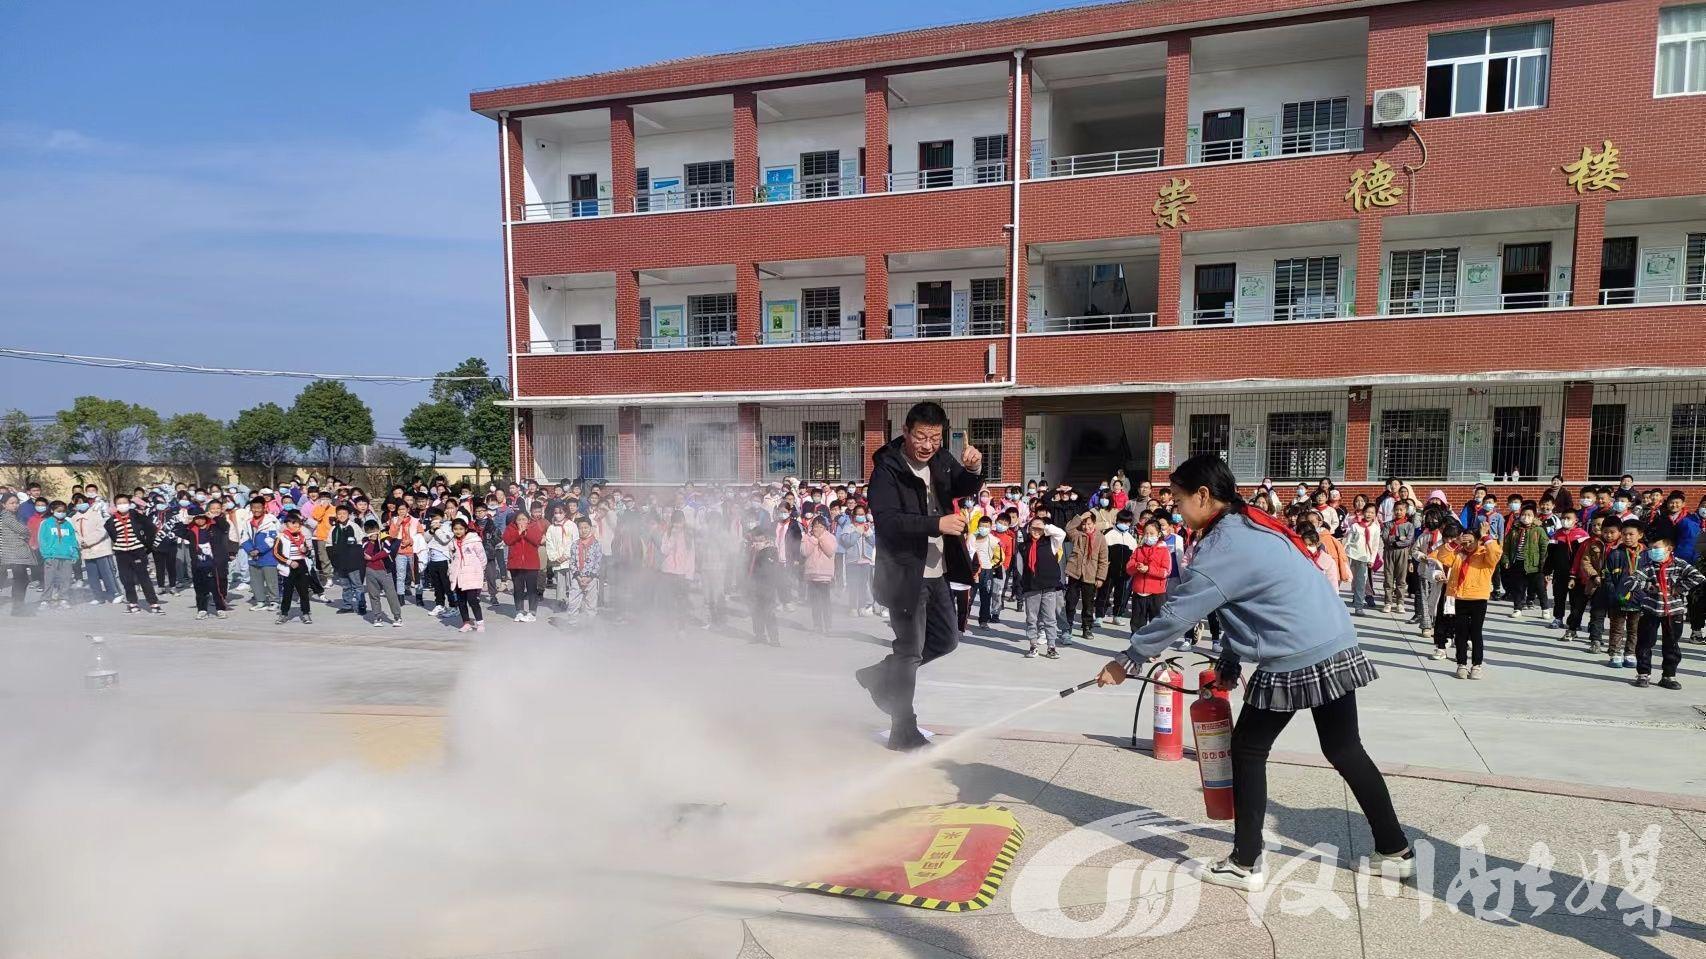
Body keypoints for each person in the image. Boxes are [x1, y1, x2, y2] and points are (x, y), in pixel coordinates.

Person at [1095, 455, 1411, 891]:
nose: (1176, 508)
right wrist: (1229, 659)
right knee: (1344, 748)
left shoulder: (1223, 546)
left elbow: (1177, 614)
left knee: (1246, 749)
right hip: (1334, 640)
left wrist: (1127, 659)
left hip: (1295, 653)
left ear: (1204, 496)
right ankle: (1395, 850)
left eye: (1181, 499)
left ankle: (1245, 862)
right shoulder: (1251, 523)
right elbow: (1250, 603)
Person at [855, 402, 985, 751]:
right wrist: (936, 524)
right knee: (910, 652)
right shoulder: (887, 470)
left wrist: (974, 468)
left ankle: (880, 674)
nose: (927, 445)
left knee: (945, 641)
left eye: (935, 438)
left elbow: (962, 484)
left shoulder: (941, 459)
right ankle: (903, 729)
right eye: (921, 437)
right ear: (906, 432)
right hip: (903, 575)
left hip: (937, 571)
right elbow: (888, 521)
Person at [1628, 534, 1703, 690]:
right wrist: (1646, 587)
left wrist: (1679, 588)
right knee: (1645, 643)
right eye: (1650, 548)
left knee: (1671, 644)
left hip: (1674, 611)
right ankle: (1643, 674)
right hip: (1651, 610)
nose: (1652, 551)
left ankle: (1669, 675)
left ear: (1669, 549)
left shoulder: (1679, 564)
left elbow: (1699, 577)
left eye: (1656, 548)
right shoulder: (1648, 566)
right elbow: (1634, 579)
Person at [1433, 521, 1501, 678]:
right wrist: (1456, 542)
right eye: (1466, 541)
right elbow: (1442, 556)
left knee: (1476, 633)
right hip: (1460, 597)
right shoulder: (1459, 554)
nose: (1468, 544)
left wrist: (1486, 536)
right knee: (1461, 633)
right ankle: (1461, 664)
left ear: (1477, 540)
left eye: (1471, 541)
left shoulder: (1484, 554)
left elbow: (1495, 554)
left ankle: (1477, 665)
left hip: (1478, 598)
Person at [1015, 511, 1066, 659]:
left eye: (1039, 529)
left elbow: (1061, 533)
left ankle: (1051, 647)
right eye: (1033, 528)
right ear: (1029, 529)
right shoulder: (1024, 545)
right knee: (1031, 618)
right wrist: (1022, 583)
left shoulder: (1051, 542)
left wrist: (1045, 526)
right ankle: (1033, 645)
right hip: (1031, 587)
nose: (1036, 531)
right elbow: (1020, 566)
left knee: (1049, 618)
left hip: (1049, 586)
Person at [1603, 519, 1645, 669]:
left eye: (1631, 534)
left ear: (1640, 535)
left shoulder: (1646, 555)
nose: (1627, 537)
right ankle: (1615, 653)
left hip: (1639, 600)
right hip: (1618, 598)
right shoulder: (1615, 554)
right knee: (1616, 628)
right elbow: (1607, 576)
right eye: (1624, 534)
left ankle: (1630, 653)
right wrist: (1614, 594)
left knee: (1635, 628)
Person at [1063, 510, 1108, 641]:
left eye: (1089, 524)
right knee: (1071, 601)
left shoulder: (1100, 538)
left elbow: (1103, 560)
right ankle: (1068, 626)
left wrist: (1100, 577)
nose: (1086, 527)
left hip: (1091, 575)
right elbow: (1068, 528)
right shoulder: (1078, 535)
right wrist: (1081, 517)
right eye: (1083, 524)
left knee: (1088, 604)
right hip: (1075, 573)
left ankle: (1087, 627)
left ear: (1094, 524)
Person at [1125, 518, 1172, 634]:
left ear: (1158, 534)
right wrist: (1136, 566)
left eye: (1152, 533)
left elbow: (1166, 571)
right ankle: (1135, 646)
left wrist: (1149, 569)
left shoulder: (1164, 550)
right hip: (1139, 592)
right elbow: (1128, 568)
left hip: (1156, 594)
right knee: (1137, 622)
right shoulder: (1139, 550)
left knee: (1155, 623)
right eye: (1146, 533)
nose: (1148, 536)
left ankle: (1152, 649)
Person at [1501, 502, 1547, 618]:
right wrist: (1506, 560)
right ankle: (1517, 608)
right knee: (1518, 587)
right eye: (1524, 514)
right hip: (1518, 563)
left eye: (1529, 515)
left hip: (1534, 564)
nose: (1526, 517)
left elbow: (1544, 548)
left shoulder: (1538, 530)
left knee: (1540, 588)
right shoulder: (1514, 530)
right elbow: (1506, 547)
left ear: (1534, 517)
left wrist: (1543, 564)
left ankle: (1545, 608)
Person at [273, 511, 317, 625]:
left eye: (298, 524)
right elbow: (276, 553)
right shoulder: (281, 537)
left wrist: (305, 550)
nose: (296, 527)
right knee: (287, 591)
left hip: (301, 565)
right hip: (289, 566)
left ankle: (306, 613)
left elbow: (308, 552)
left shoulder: (302, 537)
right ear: (287, 525)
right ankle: (284, 613)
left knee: (303, 591)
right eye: (293, 524)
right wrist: (289, 562)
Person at [74, 497, 120, 605]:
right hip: (86, 550)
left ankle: (114, 594)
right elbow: (75, 533)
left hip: (100, 548)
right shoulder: (74, 518)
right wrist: (81, 542)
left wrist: (88, 541)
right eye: (78, 502)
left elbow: (102, 531)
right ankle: (98, 596)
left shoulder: (95, 514)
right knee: (92, 575)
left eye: (83, 502)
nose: (81, 504)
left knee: (106, 573)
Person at [743, 524, 783, 646]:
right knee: (755, 611)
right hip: (753, 584)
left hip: (767, 586)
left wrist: (759, 553)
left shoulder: (770, 550)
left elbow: (769, 568)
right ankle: (759, 635)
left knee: (768, 611)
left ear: (765, 538)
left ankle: (774, 637)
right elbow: (747, 566)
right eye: (755, 539)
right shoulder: (752, 550)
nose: (756, 541)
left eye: (759, 539)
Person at [360, 520, 404, 628]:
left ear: (378, 530)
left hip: (385, 571)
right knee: (374, 595)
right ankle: (377, 616)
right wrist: (371, 542)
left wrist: (373, 558)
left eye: (374, 531)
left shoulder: (385, 538)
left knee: (391, 595)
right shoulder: (365, 541)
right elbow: (366, 554)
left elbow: (386, 551)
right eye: (370, 531)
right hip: (370, 571)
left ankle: (397, 616)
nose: (373, 533)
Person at [800, 512, 838, 634]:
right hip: (811, 575)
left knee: (825, 601)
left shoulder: (830, 537)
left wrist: (820, 538)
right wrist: (813, 539)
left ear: (825, 528)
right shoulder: (807, 537)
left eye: (821, 526)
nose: (818, 529)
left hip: (825, 576)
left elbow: (830, 551)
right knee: (815, 602)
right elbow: (804, 552)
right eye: (816, 526)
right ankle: (817, 624)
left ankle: (828, 625)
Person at [448, 516, 487, 633]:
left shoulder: (473, 540)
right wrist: (451, 572)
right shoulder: (452, 543)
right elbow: (452, 559)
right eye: (455, 529)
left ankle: (480, 622)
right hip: (458, 575)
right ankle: (466, 622)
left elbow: (482, 557)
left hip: (472, 574)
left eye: (460, 529)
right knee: (461, 601)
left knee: (472, 600)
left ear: (465, 529)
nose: (458, 531)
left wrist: (480, 570)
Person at [36, 502, 79, 609]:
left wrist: (74, 553)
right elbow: (42, 540)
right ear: (52, 511)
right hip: (52, 556)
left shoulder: (68, 524)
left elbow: (73, 540)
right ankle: (46, 599)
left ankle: (63, 598)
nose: (61, 513)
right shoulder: (46, 523)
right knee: (49, 579)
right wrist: (46, 555)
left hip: (66, 556)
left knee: (66, 579)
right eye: (59, 511)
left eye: (64, 511)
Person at [505, 511, 546, 622]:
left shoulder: (533, 527)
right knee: (518, 589)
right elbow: (507, 540)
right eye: (519, 519)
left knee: (532, 589)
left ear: (528, 520)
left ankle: (532, 612)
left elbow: (537, 540)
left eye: (524, 519)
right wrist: (519, 532)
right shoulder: (510, 528)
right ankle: (519, 611)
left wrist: (526, 532)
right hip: (515, 564)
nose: (522, 522)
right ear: (515, 521)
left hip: (531, 564)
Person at [241, 499, 281, 612]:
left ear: (264, 508)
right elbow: (243, 537)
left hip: (268, 556)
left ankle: (274, 601)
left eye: (259, 507)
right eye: (254, 507)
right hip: (252, 555)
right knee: (255, 580)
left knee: (271, 580)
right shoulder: (247, 522)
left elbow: (272, 538)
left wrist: (259, 550)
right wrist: (250, 550)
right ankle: (260, 601)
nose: (256, 510)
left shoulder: (271, 521)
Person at [562, 515, 602, 623]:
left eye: (586, 527)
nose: (583, 530)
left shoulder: (596, 544)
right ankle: (572, 623)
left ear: (590, 528)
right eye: (580, 528)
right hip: (577, 578)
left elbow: (598, 563)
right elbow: (572, 563)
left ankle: (590, 625)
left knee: (591, 603)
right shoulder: (575, 544)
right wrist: (579, 578)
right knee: (573, 601)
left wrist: (589, 578)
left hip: (591, 578)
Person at [838, 506, 877, 616]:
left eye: (862, 514)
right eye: (858, 514)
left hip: (865, 561)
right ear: (854, 516)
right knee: (853, 585)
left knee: (863, 585)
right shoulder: (848, 527)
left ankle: (862, 606)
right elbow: (847, 541)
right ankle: (853, 607)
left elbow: (874, 542)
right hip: (852, 561)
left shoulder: (868, 527)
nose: (860, 516)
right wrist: (858, 532)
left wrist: (867, 533)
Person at [1344, 505, 1379, 616]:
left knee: (1361, 582)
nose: (1369, 514)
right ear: (1363, 513)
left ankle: (1358, 606)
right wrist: (1344, 554)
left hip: (1364, 558)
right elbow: (1348, 541)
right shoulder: (1355, 526)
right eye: (1367, 512)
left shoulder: (1376, 528)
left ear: (1375, 515)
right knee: (1348, 579)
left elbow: (1375, 545)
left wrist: (1372, 559)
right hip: (1352, 555)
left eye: (1372, 512)